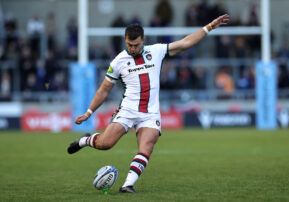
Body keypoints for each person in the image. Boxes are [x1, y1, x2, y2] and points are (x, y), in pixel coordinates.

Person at [67, 14, 230, 193]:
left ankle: (127, 185)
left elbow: (185, 43)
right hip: (128, 109)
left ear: (143, 40)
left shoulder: (157, 51)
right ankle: (85, 140)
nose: (133, 48)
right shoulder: (118, 61)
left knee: (147, 146)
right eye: (129, 44)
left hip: (150, 113)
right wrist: (89, 112)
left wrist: (210, 27)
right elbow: (104, 90)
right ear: (125, 41)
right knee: (105, 144)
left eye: (136, 45)